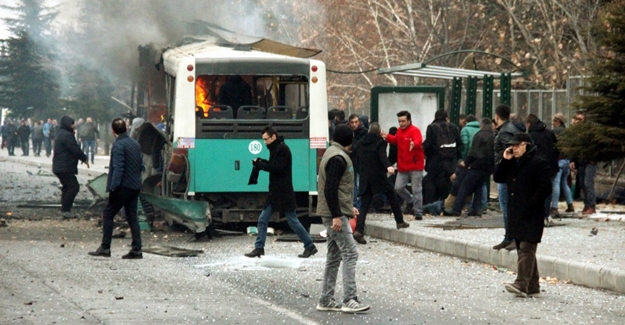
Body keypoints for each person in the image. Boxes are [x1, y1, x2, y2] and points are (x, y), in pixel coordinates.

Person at [315, 124, 370, 313]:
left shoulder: (331, 153)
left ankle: (326, 299)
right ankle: (349, 299)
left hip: (331, 212)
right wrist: (338, 215)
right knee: (350, 253)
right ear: (350, 139)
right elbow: (330, 189)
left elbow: (336, 189)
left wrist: (347, 208)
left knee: (334, 255)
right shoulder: (339, 158)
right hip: (333, 215)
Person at [244, 126, 318, 258]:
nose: (264, 142)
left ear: (273, 137)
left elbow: (277, 168)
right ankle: (259, 247)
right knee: (263, 220)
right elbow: (275, 165)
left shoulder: (282, 149)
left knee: (292, 221)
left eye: (266, 139)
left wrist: (260, 164)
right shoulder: (277, 148)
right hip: (277, 192)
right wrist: (261, 162)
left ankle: (310, 245)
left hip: (282, 192)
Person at [493, 133, 552, 298]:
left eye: (517, 145)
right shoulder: (513, 162)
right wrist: (505, 159)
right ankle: (533, 285)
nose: (513, 148)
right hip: (516, 212)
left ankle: (520, 283)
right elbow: (498, 177)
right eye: (512, 146)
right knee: (522, 246)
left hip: (532, 212)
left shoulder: (539, 163)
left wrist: (531, 204)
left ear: (525, 145)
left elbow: (545, 188)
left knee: (527, 247)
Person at [88, 118, 144, 259]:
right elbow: (141, 166)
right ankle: (137, 250)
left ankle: (105, 248)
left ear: (113, 131)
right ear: (126, 128)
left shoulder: (118, 146)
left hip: (122, 187)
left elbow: (118, 168)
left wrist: (113, 188)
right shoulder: (135, 144)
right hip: (135, 186)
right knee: (132, 218)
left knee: (108, 213)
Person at [352, 123, 409, 244]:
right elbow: (382, 156)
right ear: (379, 132)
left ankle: (359, 230)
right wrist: (388, 166)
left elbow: (355, 157)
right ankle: (399, 221)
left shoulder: (361, 143)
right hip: (378, 176)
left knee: (364, 205)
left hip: (364, 177)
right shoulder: (380, 142)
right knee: (391, 195)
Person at [492, 104, 525, 251]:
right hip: (509, 173)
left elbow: (510, 151)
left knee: (507, 207)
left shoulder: (505, 132)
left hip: (506, 173)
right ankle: (509, 237)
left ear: (497, 117)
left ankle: (511, 237)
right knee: (508, 206)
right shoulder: (512, 128)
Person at [446, 118, 495, 217]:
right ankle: (476, 210)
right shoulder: (493, 136)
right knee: (478, 187)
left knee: (465, 186)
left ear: (482, 125)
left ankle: (456, 209)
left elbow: (473, 152)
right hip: (487, 167)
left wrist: (466, 162)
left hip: (477, 165)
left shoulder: (479, 135)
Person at [384, 110, 425, 219]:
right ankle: (411, 200)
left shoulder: (415, 131)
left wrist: (414, 144)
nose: (401, 123)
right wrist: (386, 136)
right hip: (403, 166)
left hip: (415, 166)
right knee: (398, 187)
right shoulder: (399, 131)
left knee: (417, 189)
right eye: (399, 121)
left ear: (409, 120)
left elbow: (418, 140)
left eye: (403, 121)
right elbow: (395, 140)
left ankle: (418, 212)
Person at [52, 116, 90, 219]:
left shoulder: (61, 133)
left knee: (67, 187)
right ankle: (65, 210)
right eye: (72, 124)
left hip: (60, 166)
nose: (74, 125)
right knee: (74, 187)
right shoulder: (66, 135)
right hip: (64, 166)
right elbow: (75, 149)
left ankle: (64, 209)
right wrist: (84, 158)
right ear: (68, 124)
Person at [525, 114, 559, 225]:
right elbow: (557, 149)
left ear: (529, 124)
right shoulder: (550, 133)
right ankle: (546, 215)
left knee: (535, 191)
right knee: (547, 190)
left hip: (537, 167)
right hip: (551, 166)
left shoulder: (531, 136)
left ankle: (537, 215)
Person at [422, 110, 462, 205]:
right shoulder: (453, 127)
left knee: (431, 184)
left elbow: (428, 145)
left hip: (435, 162)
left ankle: (430, 206)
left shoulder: (431, 127)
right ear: (446, 117)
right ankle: (446, 206)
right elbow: (459, 144)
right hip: (451, 162)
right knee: (447, 185)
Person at [569, 111, 597, 215]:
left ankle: (591, 206)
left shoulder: (589, 133)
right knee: (582, 183)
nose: (577, 121)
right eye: (576, 119)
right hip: (581, 161)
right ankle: (587, 204)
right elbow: (574, 148)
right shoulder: (575, 134)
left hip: (590, 161)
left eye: (579, 120)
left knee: (588, 183)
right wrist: (572, 160)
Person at [348, 113, 368, 211]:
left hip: (361, 161)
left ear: (359, 122)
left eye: (356, 122)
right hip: (353, 161)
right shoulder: (349, 132)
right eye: (352, 122)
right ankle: (355, 204)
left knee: (359, 184)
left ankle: (358, 205)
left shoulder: (364, 132)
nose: (354, 124)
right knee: (354, 184)